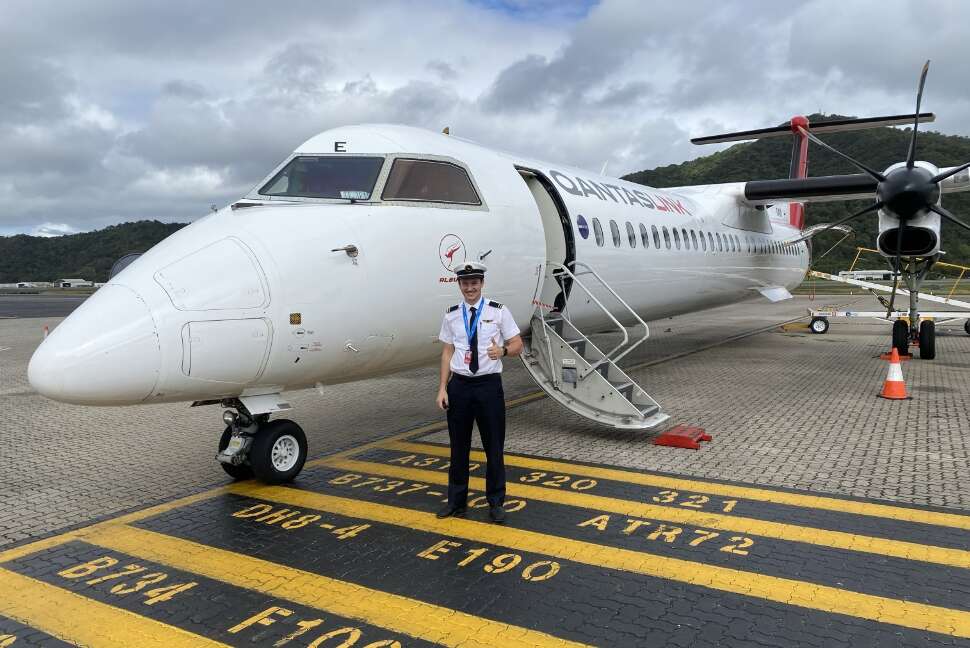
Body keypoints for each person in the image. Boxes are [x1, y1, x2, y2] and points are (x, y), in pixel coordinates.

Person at [435, 262, 523, 523]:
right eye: (465, 283)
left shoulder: (498, 311)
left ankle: (496, 502)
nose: (470, 287)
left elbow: (518, 343)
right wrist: (442, 388)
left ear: (482, 284)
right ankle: (456, 502)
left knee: (493, 447)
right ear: (459, 285)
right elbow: (447, 352)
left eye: (474, 282)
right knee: (458, 448)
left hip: (488, 386)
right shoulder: (451, 314)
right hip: (459, 386)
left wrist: (504, 351)